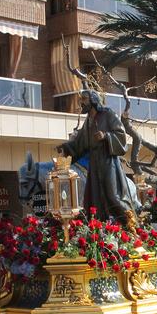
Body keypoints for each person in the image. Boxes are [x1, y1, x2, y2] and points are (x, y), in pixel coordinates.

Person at [58, 89, 137, 224]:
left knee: (114, 195)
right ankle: (101, 228)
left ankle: (131, 225)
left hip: (108, 160)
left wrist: (106, 136)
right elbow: (80, 143)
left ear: (93, 100)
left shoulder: (108, 114)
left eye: (84, 99)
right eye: (81, 99)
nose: (81, 102)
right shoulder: (88, 121)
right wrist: (65, 148)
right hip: (94, 163)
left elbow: (121, 135)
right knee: (95, 198)